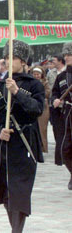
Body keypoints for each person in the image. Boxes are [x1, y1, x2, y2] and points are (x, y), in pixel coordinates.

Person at [0, 40, 44, 233]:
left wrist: (17, 92)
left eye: (14, 58)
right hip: (4, 144)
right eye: (7, 58)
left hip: (25, 143)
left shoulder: (34, 84)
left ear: (23, 61)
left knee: (20, 191)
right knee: (7, 193)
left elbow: (36, 109)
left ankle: (16, 230)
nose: (9, 62)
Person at [51, 42, 72, 190]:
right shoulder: (62, 76)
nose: (67, 57)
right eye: (65, 55)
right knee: (65, 150)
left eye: (69, 54)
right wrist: (55, 100)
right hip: (67, 116)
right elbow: (54, 93)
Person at [30, 66, 51, 153]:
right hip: (32, 106)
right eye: (34, 74)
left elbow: (48, 92)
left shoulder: (45, 82)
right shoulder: (30, 82)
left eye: (38, 74)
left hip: (43, 107)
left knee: (42, 128)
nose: (36, 76)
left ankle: (43, 147)